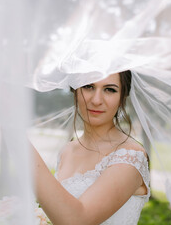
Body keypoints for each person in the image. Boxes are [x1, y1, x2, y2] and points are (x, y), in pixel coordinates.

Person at [31, 70, 150, 224]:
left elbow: (78, 220)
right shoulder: (67, 151)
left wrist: (20, 145)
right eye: (88, 86)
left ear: (122, 97)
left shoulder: (131, 156)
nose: (96, 100)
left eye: (110, 90)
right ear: (75, 90)